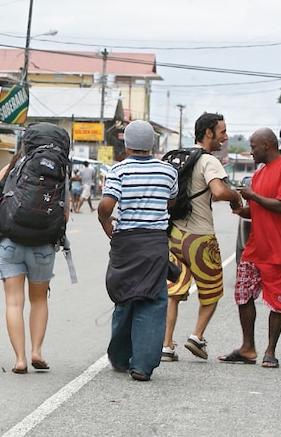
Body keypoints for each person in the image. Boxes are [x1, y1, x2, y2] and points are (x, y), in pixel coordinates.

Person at [97, 120, 178, 381]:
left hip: (126, 243)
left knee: (125, 296)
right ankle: (142, 365)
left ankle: (120, 358)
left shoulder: (118, 170)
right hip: (154, 243)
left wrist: (104, 222)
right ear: (152, 143)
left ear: (127, 143)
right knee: (153, 300)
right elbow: (171, 201)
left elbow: (107, 205)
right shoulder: (168, 172)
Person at [161, 112, 243, 362]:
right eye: (222, 132)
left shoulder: (179, 157)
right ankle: (197, 336)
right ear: (208, 133)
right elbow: (218, 191)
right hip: (200, 237)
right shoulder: (209, 161)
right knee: (213, 290)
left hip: (174, 234)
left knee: (174, 291)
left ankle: (166, 345)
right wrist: (236, 196)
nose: (225, 138)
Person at [219, 128, 281, 368]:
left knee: (277, 303)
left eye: (254, 146)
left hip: (279, 250)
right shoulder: (259, 174)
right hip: (255, 249)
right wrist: (241, 208)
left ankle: (270, 350)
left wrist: (254, 197)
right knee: (242, 293)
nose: (251, 151)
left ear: (268, 145)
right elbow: (258, 212)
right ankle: (248, 347)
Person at [0, 146, 65, 374]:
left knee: (14, 302)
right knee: (39, 300)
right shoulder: (59, 172)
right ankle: (37, 351)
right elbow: (65, 213)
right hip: (42, 246)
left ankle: (20, 359)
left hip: (10, 242)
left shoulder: (14, 165)